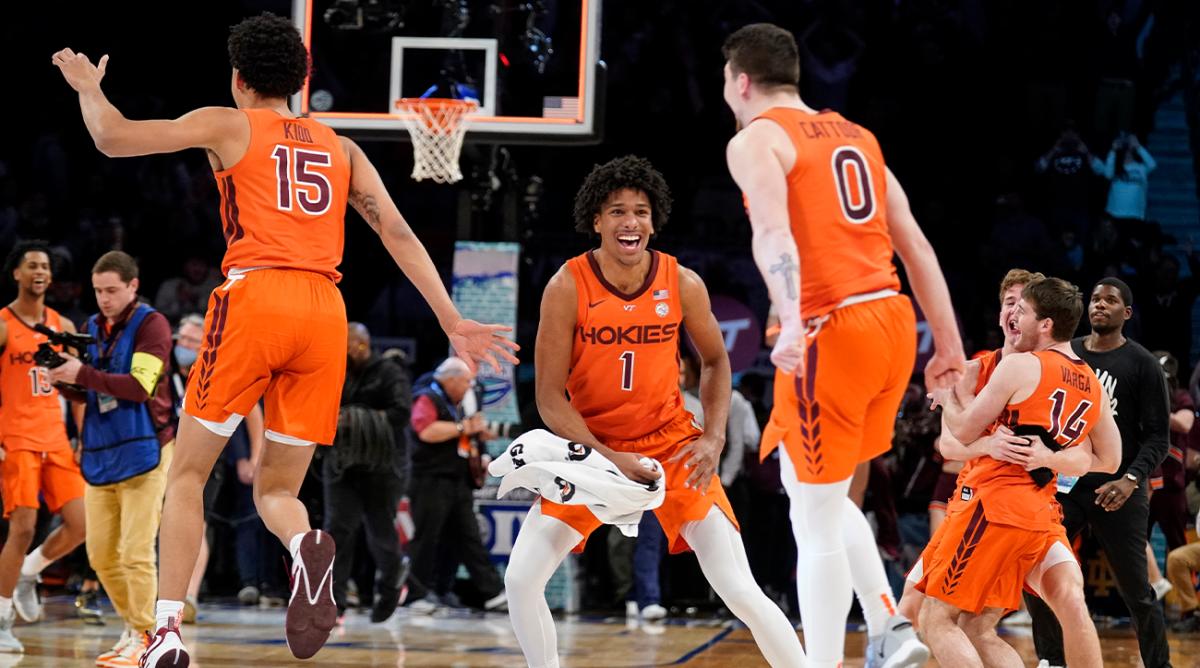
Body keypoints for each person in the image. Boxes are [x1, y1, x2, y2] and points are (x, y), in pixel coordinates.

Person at [54, 13, 518, 664]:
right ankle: (305, 549)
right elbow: (399, 235)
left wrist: (87, 88)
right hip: (326, 313)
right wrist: (451, 319)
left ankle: (165, 634)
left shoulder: (228, 122)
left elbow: (111, 137)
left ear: (239, 79)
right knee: (280, 492)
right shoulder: (342, 147)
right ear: (301, 82)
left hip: (256, 297)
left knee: (186, 475)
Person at [721, 23, 964, 668]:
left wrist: (793, 320)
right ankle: (887, 624)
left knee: (814, 519)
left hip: (833, 329)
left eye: (726, 82)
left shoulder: (756, 139)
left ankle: (825, 661)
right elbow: (915, 246)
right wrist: (948, 347)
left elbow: (773, 235)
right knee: (821, 497)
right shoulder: (859, 136)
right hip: (891, 324)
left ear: (741, 80)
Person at [506, 155, 806, 668]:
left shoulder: (681, 281)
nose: (631, 222)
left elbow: (715, 361)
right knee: (520, 580)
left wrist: (712, 439)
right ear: (596, 221)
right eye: (618, 211)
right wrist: (606, 457)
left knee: (738, 587)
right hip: (593, 450)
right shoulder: (567, 285)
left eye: (641, 212)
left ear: (654, 220)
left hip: (669, 444)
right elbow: (550, 397)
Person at [920, 277, 1120, 668]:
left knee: (936, 619)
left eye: (1022, 310)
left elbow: (960, 432)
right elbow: (1109, 460)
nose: (1015, 316)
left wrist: (948, 399)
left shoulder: (1021, 366)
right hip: (1041, 513)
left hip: (993, 506)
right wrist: (1049, 457)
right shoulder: (1092, 383)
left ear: (1045, 324)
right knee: (983, 626)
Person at [1022, 277, 1172, 668]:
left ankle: (1161, 665)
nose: (1099, 305)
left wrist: (1130, 479)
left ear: (1127, 312)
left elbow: (1158, 438)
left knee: (1137, 591)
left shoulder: (1141, 364)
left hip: (1118, 488)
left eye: (1110, 300)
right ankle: (1051, 660)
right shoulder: (1066, 354)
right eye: (1094, 299)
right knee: (1035, 574)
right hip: (1067, 485)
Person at [49, 252, 176, 666]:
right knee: (102, 554)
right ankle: (136, 628)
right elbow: (94, 390)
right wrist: (63, 381)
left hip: (147, 450)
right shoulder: (91, 327)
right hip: (104, 451)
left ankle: (147, 636)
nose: (103, 299)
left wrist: (80, 375)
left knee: (136, 551)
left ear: (133, 286)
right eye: (98, 291)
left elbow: (139, 386)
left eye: (112, 291)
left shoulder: (152, 324)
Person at [0, 241, 88, 653]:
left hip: (56, 437)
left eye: (45, 267)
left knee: (82, 524)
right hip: (15, 439)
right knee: (22, 528)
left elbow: (79, 386)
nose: (39, 271)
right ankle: (2, 621)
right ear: (16, 274)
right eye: (31, 265)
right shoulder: (3, 324)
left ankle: (29, 572)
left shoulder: (62, 325)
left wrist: (85, 437)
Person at [171, 314, 267, 622]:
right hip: (161, 459)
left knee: (195, 522)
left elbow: (253, 412)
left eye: (190, 341)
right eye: (180, 340)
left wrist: (254, 457)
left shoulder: (217, 369)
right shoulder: (165, 370)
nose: (182, 346)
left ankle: (189, 595)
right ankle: (165, 594)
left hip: (205, 461)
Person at [324, 322, 411, 622]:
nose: (348, 350)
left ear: (364, 343)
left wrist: (356, 418)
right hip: (342, 464)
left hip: (382, 466)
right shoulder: (335, 370)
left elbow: (401, 414)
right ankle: (333, 603)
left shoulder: (389, 373)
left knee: (380, 531)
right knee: (338, 530)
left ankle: (390, 588)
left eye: (352, 345)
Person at [404, 357, 505, 613]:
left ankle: (491, 592)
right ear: (452, 379)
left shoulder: (458, 401)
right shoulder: (427, 395)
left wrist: (478, 445)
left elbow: (464, 432)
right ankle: (416, 595)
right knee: (426, 537)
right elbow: (425, 430)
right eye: (467, 381)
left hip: (457, 478)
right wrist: (463, 427)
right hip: (431, 479)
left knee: (467, 535)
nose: (470, 386)